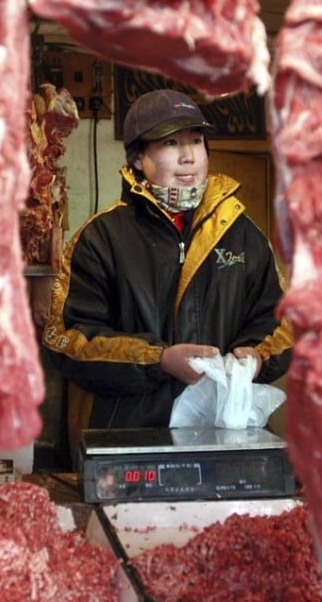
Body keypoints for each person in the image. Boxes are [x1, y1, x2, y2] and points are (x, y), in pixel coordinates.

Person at [42, 88, 293, 452]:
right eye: (172, 144)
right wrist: (158, 360)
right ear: (139, 158)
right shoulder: (101, 238)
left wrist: (256, 358)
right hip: (129, 439)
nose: (189, 157)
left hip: (224, 440)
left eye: (197, 141)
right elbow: (66, 340)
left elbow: (282, 323)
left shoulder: (242, 234)